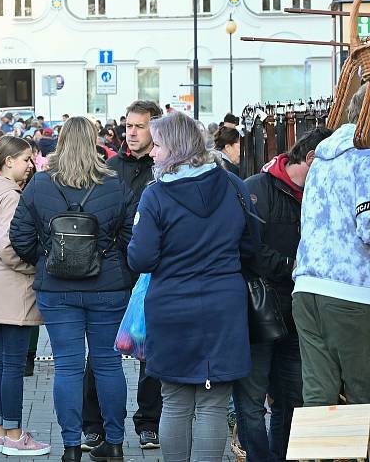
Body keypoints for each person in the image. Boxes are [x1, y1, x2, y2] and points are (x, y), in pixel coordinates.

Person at [127, 112, 260, 462]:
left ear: (176, 148)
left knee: (174, 401)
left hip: (171, 306)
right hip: (224, 305)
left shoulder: (155, 195)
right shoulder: (234, 186)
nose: (152, 153)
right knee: (214, 404)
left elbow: (140, 259)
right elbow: (251, 246)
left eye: (157, 145)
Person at [10, 117, 136, 462]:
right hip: (108, 288)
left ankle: (70, 446)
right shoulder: (114, 183)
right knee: (109, 364)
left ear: (61, 142)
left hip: (57, 289)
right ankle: (114, 442)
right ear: (94, 142)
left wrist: (47, 258)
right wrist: (111, 261)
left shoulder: (39, 184)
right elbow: (130, 236)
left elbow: (19, 235)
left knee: (67, 367)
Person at [234, 128, 333, 462]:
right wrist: (294, 267)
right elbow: (249, 249)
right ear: (310, 158)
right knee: (251, 400)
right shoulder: (255, 189)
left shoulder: (320, 193)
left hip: (299, 312)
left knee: (292, 399)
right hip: (259, 309)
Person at [84, 100, 163, 453]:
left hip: (149, 273)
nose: (131, 132)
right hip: (111, 272)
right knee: (101, 352)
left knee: (150, 351)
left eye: (139, 126)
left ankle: (148, 422)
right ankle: (93, 425)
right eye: (128, 125)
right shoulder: (110, 168)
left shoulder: (163, 166)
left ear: (155, 129)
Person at [0, 136, 50, 456]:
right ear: (8, 162)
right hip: (13, 285)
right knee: (12, 364)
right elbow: (9, 246)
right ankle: (14, 433)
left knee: (1, 362)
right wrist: (31, 268)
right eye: (26, 160)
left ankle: (0, 430)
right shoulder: (11, 197)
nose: (31, 165)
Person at [292, 83, 370, 406]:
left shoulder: (321, 157)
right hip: (352, 293)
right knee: (363, 396)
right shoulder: (365, 156)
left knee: (318, 398)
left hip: (307, 288)